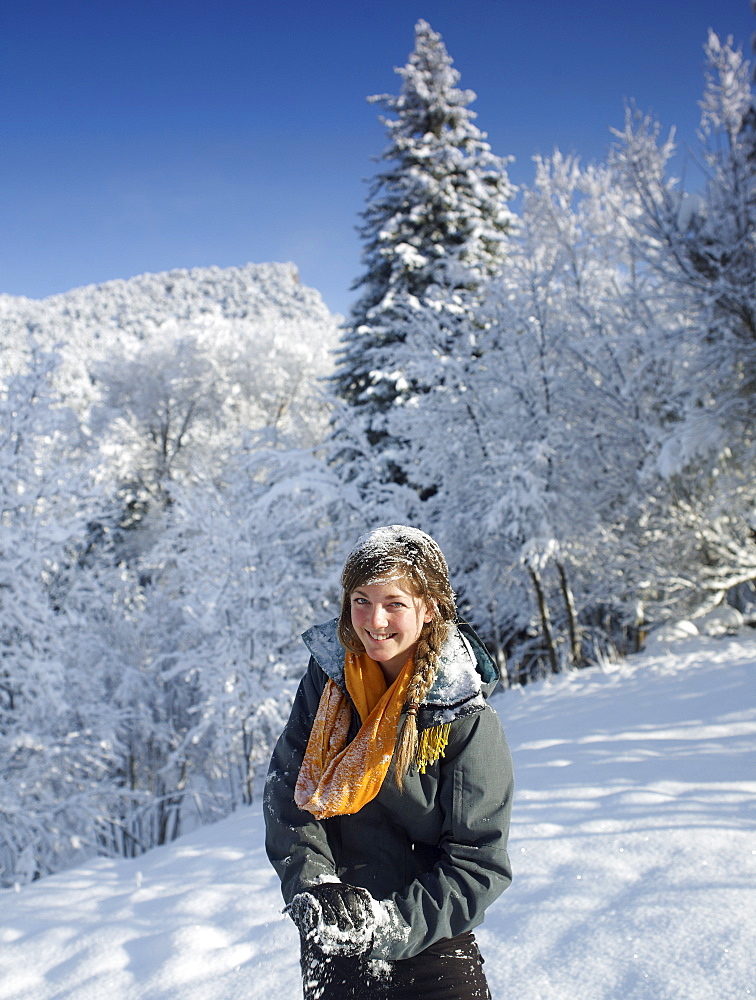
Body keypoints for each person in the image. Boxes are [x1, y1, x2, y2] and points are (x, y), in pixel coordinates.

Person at [264, 525, 514, 1000]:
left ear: (429, 608)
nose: (374, 620)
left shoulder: (462, 715)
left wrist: (387, 926)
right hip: (335, 929)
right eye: (361, 599)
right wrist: (315, 885)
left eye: (394, 603)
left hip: (431, 944)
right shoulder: (328, 684)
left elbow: (479, 862)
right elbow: (289, 793)